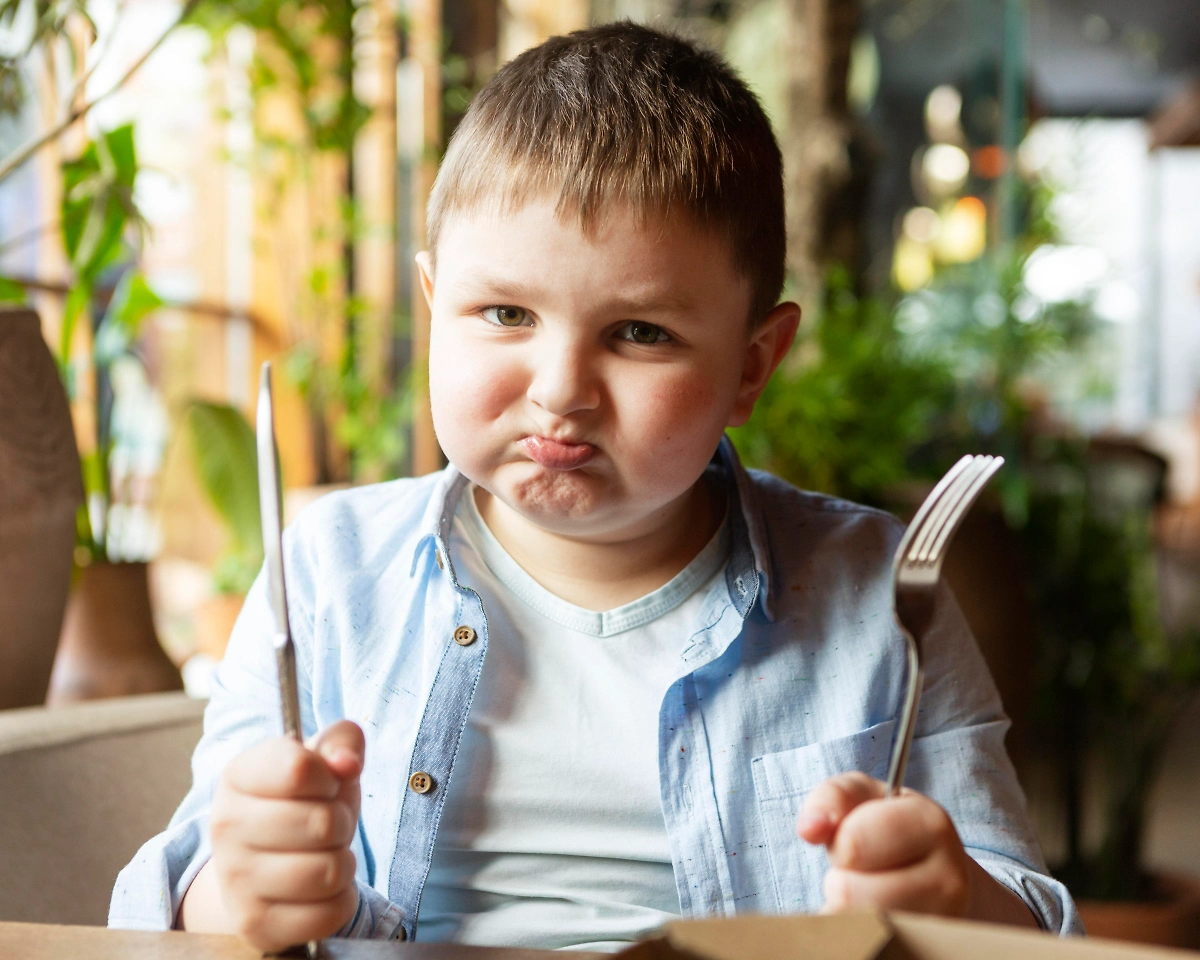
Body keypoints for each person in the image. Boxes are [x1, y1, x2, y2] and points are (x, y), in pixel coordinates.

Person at [109, 22, 1079, 952]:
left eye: (641, 333)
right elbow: (184, 895)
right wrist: (233, 890)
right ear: (433, 303)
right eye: (503, 313)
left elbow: (1029, 928)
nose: (561, 390)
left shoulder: (880, 597)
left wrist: (949, 897)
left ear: (752, 365)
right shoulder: (325, 575)